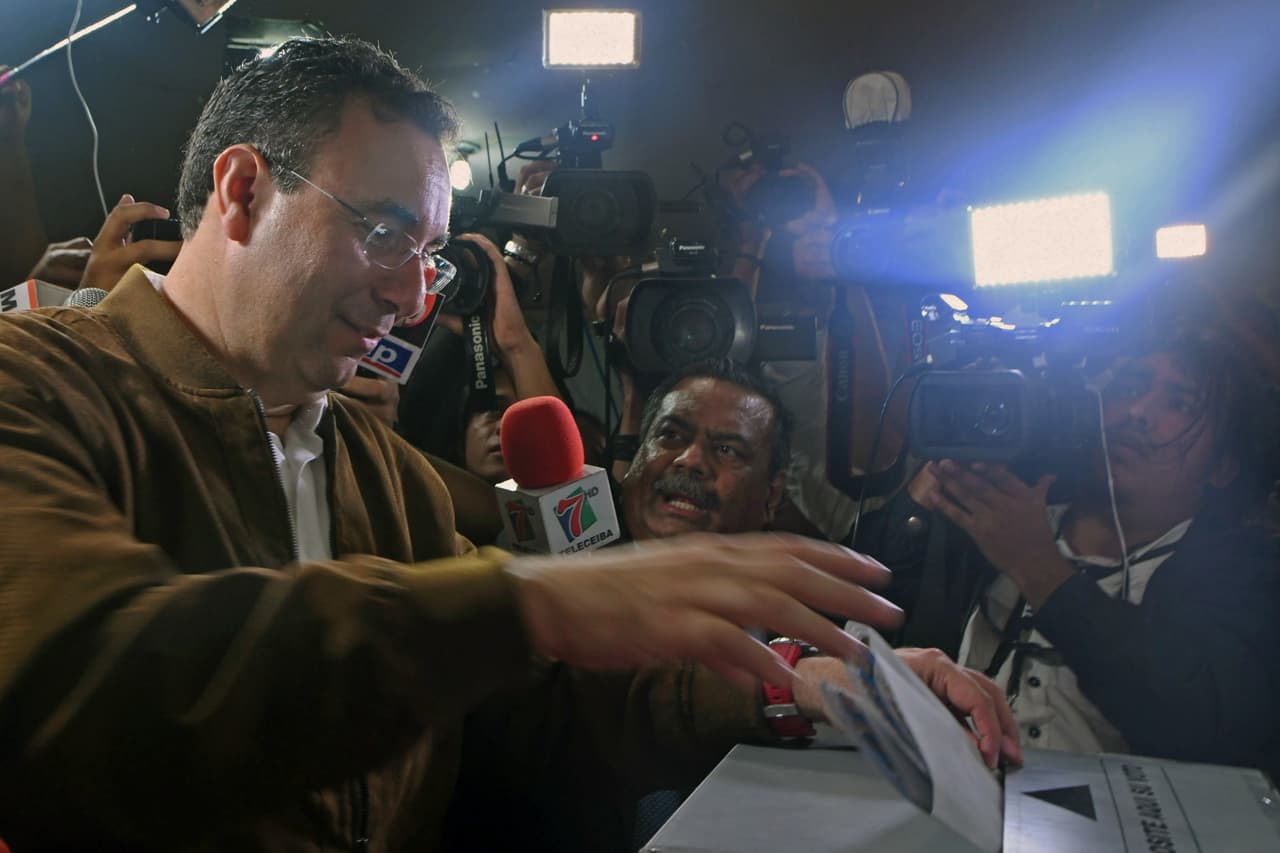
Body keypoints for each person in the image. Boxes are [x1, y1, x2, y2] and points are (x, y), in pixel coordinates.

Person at [0, 37, 1015, 850]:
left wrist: (793, 682)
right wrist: (525, 597)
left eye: (431, 258)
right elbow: (86, 671)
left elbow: (544, 708)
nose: (408, 296)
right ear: (244, 190)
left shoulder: (376, 469)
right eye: (385, 230)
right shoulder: (31, 382)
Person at [892, 323, 1280, 775]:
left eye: (1179, 404)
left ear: (1224, 466)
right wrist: (921, 499)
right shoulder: (1004, 514)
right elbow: (866, 614)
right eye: (1129, 388)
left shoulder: (1244, 570)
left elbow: (1200, 722)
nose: (1137, 412)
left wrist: (1039, 569)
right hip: (959, 798)